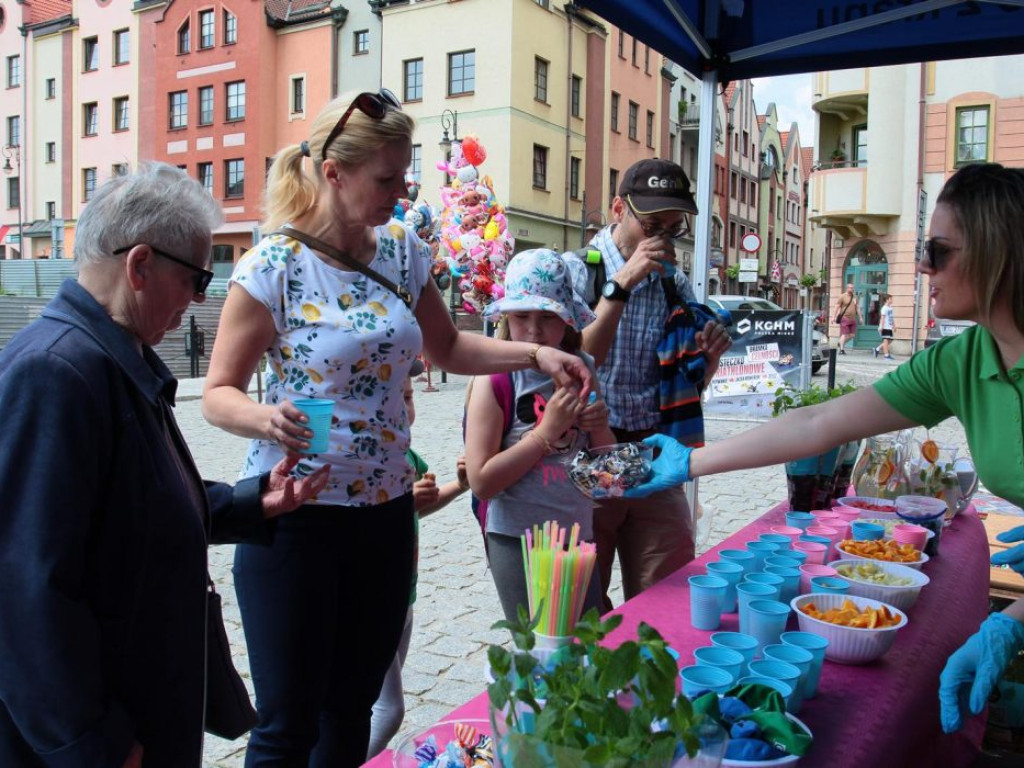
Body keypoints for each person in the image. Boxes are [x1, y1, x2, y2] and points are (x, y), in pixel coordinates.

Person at [201, 90, 593, 767]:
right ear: (333, 173)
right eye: (386, 178)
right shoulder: (273, 267)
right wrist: (266, 416)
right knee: (287, 726)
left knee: (350, 712)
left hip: (384, 516)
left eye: (405, 174)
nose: (400, 190)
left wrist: (535, 352)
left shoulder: (403, 252)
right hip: (297, 513)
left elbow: (448, 349)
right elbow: (215, 395)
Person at [632, 162, 1024, 737]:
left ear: (996, 251)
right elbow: (820, 422)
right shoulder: (963, 361)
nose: (922, 267)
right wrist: (690, 462)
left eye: (938, 251)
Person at [0, 164, 329, 768]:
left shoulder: (107, 357)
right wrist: (94, 744)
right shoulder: (57, 372)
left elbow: (135, 506)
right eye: (197, 278)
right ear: (140, 265)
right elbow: (25, 593)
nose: (201, 299)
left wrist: (251, 501)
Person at [562, 159, 732, 612]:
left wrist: (707, 360)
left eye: (673, 229)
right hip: (588, 454)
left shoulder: (674, 284)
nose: (661, 239)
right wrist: (621, 284)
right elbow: (579, 363)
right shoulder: (577, 272)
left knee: (666, 596)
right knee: (580, 607)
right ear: (619, 208)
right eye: (651, 224)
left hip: (653, 453)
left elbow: (686, 390)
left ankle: (652, 681)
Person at [464, 249, 616, 623]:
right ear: (505, 318)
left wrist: (597, 424)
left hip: (577, 532)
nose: (533, 329)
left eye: (547, 317)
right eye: (521, 316)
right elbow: (482, 482)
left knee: (586, 646)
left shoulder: (584, 367)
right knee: (537, 653)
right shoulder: (495, 376)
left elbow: (607, 472)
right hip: (516, 536)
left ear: (567, 320)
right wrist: (545, 434)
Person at [367, 359, 469, 758]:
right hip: (372, 597)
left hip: (403, 593)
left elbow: (419, 507)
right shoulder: (364, 461)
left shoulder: (408, 457)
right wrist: (404, 504)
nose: (406, 409)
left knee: (370, 701)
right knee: (388, 710)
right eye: (397, 400)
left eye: (409, 398)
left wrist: (460, 485)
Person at [835, 282, 862, 353]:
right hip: (844, 318)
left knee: (852, 335)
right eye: (850, 288)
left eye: (852, 288)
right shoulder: (842, 296)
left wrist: (860, 317)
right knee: (844, 334)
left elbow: (858, 307)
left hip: (852, 319)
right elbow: (837, 306)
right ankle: (841, 349)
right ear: (847, 288)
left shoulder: (854, 297)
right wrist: (833, 317)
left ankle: (840, 342)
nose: (851, 289)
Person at [874, 293, 895, 359]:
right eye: (890, 299)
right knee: (885, 341)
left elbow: (892, 317)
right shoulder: (884, 308)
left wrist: (894, 325)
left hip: (889, 326)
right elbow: (882, 318)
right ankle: (886, 355)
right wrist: (881, 326)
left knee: (890, 340)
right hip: (885, 327)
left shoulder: (890, 308)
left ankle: (877, 348)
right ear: (886, 300)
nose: (891, 300)